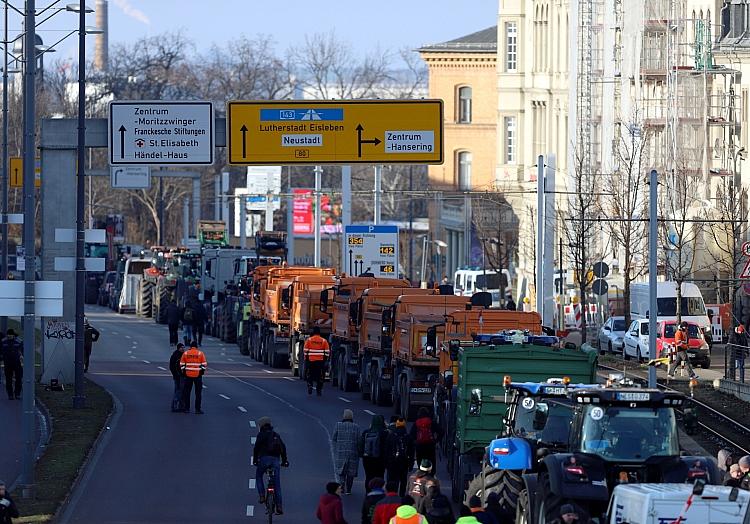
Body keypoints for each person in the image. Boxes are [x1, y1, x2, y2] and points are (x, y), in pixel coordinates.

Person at [253, 416, 289, 515]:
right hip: (276, 461)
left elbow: (256, 448)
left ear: (261, 425)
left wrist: (255, 460)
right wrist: (285, 461)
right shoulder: (276, 435)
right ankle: (279, 506)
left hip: (264, 460)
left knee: (259, 475)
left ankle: (261, 495)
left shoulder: (261, 435)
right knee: (277, 483)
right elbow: (283, 448)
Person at [332, 409, 361, 494]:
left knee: (341, 472)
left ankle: (341, 487)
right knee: (351, 472)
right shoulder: (356, 427)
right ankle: (349, 489)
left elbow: (334, 438)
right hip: (353, 453)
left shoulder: (338, 425)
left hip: (341, 452)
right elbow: (359, 440)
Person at [384, 417, 414, 497]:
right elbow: (411, 452)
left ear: (396, 425)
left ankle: (393, 495)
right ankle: (402, 495)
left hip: (393, 462)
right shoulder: (408, 437)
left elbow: (386, 450)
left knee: (393, 479)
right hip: (404, 462)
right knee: (403, 480)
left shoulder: (391, 436)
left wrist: (386, 463)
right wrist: (411, 464)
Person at [360, 415, 389, 489]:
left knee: (368, 476)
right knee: (380, 476)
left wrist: (362, 455)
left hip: (367, 459)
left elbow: (361, 445)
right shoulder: (385, 433)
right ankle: (378, 493)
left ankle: (368, 493)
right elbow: (387, 447)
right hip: (380, 459)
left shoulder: (366, 432)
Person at [180, 341, 207, 414]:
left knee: (187, 392)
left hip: (188, 375)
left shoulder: (186, 353)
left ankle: (187, 408)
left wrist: (184, 371)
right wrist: (201, 371)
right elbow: (204, 364)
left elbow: (182, 364)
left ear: (190, 346)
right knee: (198, 393)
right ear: (197, 346)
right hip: (198, 376)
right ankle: (197, 409)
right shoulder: (200, 353)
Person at [304, 326, 330, 396]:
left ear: (313, 332)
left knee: (309, 374)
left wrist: (306, 358)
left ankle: (310, 385)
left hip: (311, 361)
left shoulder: (309, 340)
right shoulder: (324, 341)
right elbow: (327, 352)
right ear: (319, 332)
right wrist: (325, 359)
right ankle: (319, 389)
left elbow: (305, 351)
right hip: (320, 362)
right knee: (320, 376)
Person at [1, 329, 22, 400]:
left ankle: (17, 393)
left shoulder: (18, 341)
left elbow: (23, 350)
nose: (9, 336)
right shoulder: (3, 341)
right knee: (8, 379)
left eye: (10, 335)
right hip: (7, 363)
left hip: (17, 362)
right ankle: (10, 394)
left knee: (18, 378)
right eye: (8, 335)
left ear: (13, 335)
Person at [169, 343, 186, 412]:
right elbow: (172, 366)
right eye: (181, 347)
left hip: (182, 376)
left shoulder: (183, 355)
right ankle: (175, 405)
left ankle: (181, 406)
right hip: (178, 376)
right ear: (178, 348)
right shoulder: (175, 355)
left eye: (183, 347)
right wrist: (175, 375)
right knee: (178, 391)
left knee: (181, 391)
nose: (183, 349)